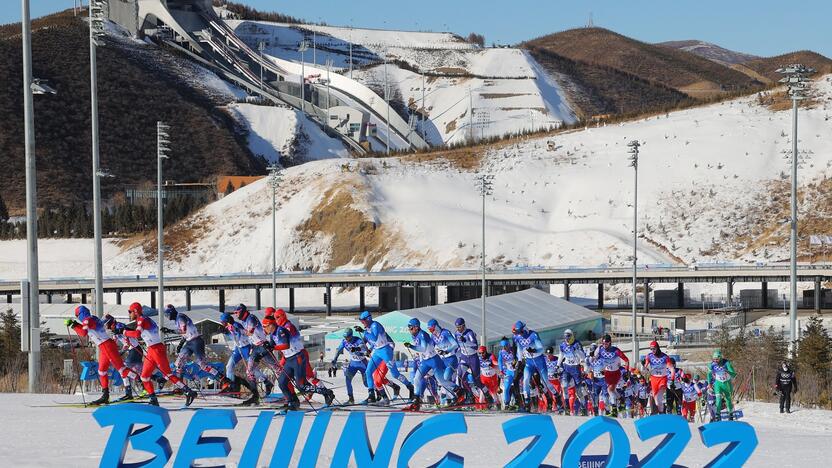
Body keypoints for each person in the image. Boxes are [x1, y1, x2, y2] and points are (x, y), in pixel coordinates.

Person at [119, 302, 197, 406]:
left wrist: (124, 332)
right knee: (144, 376)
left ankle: (188, 392)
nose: (129, 314)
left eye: (130, 312)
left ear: (136, 311)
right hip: (152, 349)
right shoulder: (141, 320)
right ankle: (153, 399)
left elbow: (137, 334)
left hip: (156, 349)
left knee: (168, 374)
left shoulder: (142, 319)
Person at [65, 306, 138, 405]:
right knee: (102, 371)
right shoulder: (92, 318)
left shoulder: (87, 320)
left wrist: (73, 325)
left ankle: (144, 380)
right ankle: (105, 395)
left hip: (106, 346)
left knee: (122, 370)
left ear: (80, 314)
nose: (78, 318)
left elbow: (83, 333)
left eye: (77, 316)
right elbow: (86, 328)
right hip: (104, 346)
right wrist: (75, 324)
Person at [262, 315, 335, 408]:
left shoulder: (281, 331)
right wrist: (262, 352)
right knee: (282, 382)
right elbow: (271, 347)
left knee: (301, 386)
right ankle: (292, 401)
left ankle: (327, 393)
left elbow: (286, 345)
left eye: (264, 326)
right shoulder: (273, 334)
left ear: (270, 325)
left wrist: (272, 347)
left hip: (297, 357)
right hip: (289, 359)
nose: (264, 329)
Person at [403, 318, 465, 411]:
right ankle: (416, 400)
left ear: (416, 327)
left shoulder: (423, 334)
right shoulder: (418, 335)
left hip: (434, 360)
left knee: (442, 381)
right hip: (425, 361)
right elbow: (431, 346)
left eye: (411, 328)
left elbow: (423, 348)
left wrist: (411, 346)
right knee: (417, 378)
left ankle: (459, 391)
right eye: (409, 328)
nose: (410, 330)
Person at [162, 305, 230, 390]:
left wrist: (170, 331)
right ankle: (181, 387)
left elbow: (183, 330)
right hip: (189, 342)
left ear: (171, 313)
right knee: (179, 364)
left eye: (167, 314)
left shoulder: (180, 317)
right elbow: (185, 334)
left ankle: (224, 379)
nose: (167, 317)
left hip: (196, 342)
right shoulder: (177, 319)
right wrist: (180, 344)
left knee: (202, 365)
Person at [354, 311, 413, 400]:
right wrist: (368, 349)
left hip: (386, 351)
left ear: (368, 319)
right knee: (368, 372)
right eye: (361, 321)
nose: (362, 323)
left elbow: (374, 337)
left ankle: (410, 387)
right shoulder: (368, 327)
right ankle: (372, 394)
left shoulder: (375, 325)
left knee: (395, 374)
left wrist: (363, 331)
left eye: (363, 321)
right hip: (377, 351)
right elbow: (373, 342)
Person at [238, 304, 280, 406]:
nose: (236, 314)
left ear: (243, 311)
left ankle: (290, 393)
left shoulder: (251, 318)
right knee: (249, 372)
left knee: (277, 369)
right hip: (255, 348)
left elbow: (250, 333)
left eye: (237, 312)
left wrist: (238, 329)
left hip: (263, 346)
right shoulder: (244, 320)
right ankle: (255, 396)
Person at [512, 321, 559, 412]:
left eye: (520, 332)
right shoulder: (517, 337)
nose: (519, 335)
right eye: (517, 333)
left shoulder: (533, 335)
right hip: (529, 362)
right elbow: (519, 349)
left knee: (545, 381)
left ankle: (556, 397)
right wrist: (519, 360)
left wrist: (534, 350)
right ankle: (527, 402)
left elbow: (541, 349)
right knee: (525, 380)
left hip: (539, 361)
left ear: (523, 330)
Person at [218, 313, 263, 398]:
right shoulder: (228, 326)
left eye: (223, 322)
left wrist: (229, 332)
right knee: (229, 366)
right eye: (222, 323)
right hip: (238, 348)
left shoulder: (236, 325)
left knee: (251, 369)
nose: (222, 324)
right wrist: (226, 332)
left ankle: (265, 380)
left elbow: (237, 337)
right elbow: (232, 338)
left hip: (246, 347)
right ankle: (231, 387)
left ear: (227, 320)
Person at [453, 318, 493, 406]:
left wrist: (466, 341)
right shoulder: (456, 334)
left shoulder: (469, 333)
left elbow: (475, 346)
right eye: (456, 327)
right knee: (459, 376)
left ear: (463, 325)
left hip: (473, 358)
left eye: (459, 327)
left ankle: (488, 395)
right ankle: (465, 396)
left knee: (477, 381)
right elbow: (456, 345)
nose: (458, 329)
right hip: (464, 357)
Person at [427, 319, 465, 403]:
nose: (431, 331)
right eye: (429, 330)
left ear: (436, 327)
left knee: (445, 378)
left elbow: (455, 344)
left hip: (451, 359)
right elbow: (429, 348)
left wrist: (446, 351)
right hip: (443, 360)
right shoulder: (433, 336)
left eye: (432, 329)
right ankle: (453, 397)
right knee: (441, 380)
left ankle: (459, 391)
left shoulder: (445, 333)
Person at [593, 334, 630, 417]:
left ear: (610, 343)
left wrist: (627, 371)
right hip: (607, 373)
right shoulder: (600, 349)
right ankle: (621, 399)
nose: (604, 345)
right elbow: (595, 359)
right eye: (603, 343)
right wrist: (594, 357)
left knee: (610, 390)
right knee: (613, 391)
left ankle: (614, 409)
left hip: (615, 373)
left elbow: (626, 360)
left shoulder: (616, 351)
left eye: (606, 343)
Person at [331, 327, 369, 404]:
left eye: (348, 337)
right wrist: (335, 359)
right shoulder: (344, 342)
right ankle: (351, 399)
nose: (346, 339)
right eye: (345, 337)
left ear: (351, 335)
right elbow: (338, 350)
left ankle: (377, 393)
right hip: (353, 363)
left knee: (366, 383)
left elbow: (364, 349)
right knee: (348, 379)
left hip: (362, 363)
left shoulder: (358, 340)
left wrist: (358, 350)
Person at [556, 328, 587, 415]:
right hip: (566, 367)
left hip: (575, 368)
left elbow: (583, 357)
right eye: (566, 337)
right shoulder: (562, 345)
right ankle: (567, 407)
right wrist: (558, 365)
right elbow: (561, 355)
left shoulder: (577, 343)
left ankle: (583, 407)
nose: (567, 339)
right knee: (564, 386)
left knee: (578, 390)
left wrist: (576, 351)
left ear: (572, 336)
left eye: (569, 337)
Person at [707, 349, 737, 421]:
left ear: (720, 358)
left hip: (727, 384)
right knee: (718, 399)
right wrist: (709, 383)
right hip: (718, 384)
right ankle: (717, 415)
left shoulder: (726, 363)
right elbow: (709, 374)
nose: (715, 361)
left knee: (728, 400)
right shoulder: (712, 364)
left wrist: (727, 371)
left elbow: (734, 374)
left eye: (717, 359)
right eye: (714, 359)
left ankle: (730, 414)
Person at [642, 341, 671, 414]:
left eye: (654, 349)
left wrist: (672, 378)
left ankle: (661, 412)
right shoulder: (649, 356)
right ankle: (661, 412)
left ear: (657, 348)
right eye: (651, 349)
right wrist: (644, 368)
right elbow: (645, 367)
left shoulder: (664, 356)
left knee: (659, 397)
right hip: (654, 379)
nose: (653, 351)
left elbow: (670, 367)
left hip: (662, 378)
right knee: (657, 401)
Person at [497, 339, 518, 409]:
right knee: (506, 388)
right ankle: (506, 404)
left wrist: (516, 362)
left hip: (516, 371)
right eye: (502, 346)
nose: (504, 348)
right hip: (508, 372)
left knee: (517, 387)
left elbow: (520, 358)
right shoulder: (501, 352)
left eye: (505, 346)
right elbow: (500, 361)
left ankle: (520, 403)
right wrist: (501, 370)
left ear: (508, 345)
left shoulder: (514, 350)